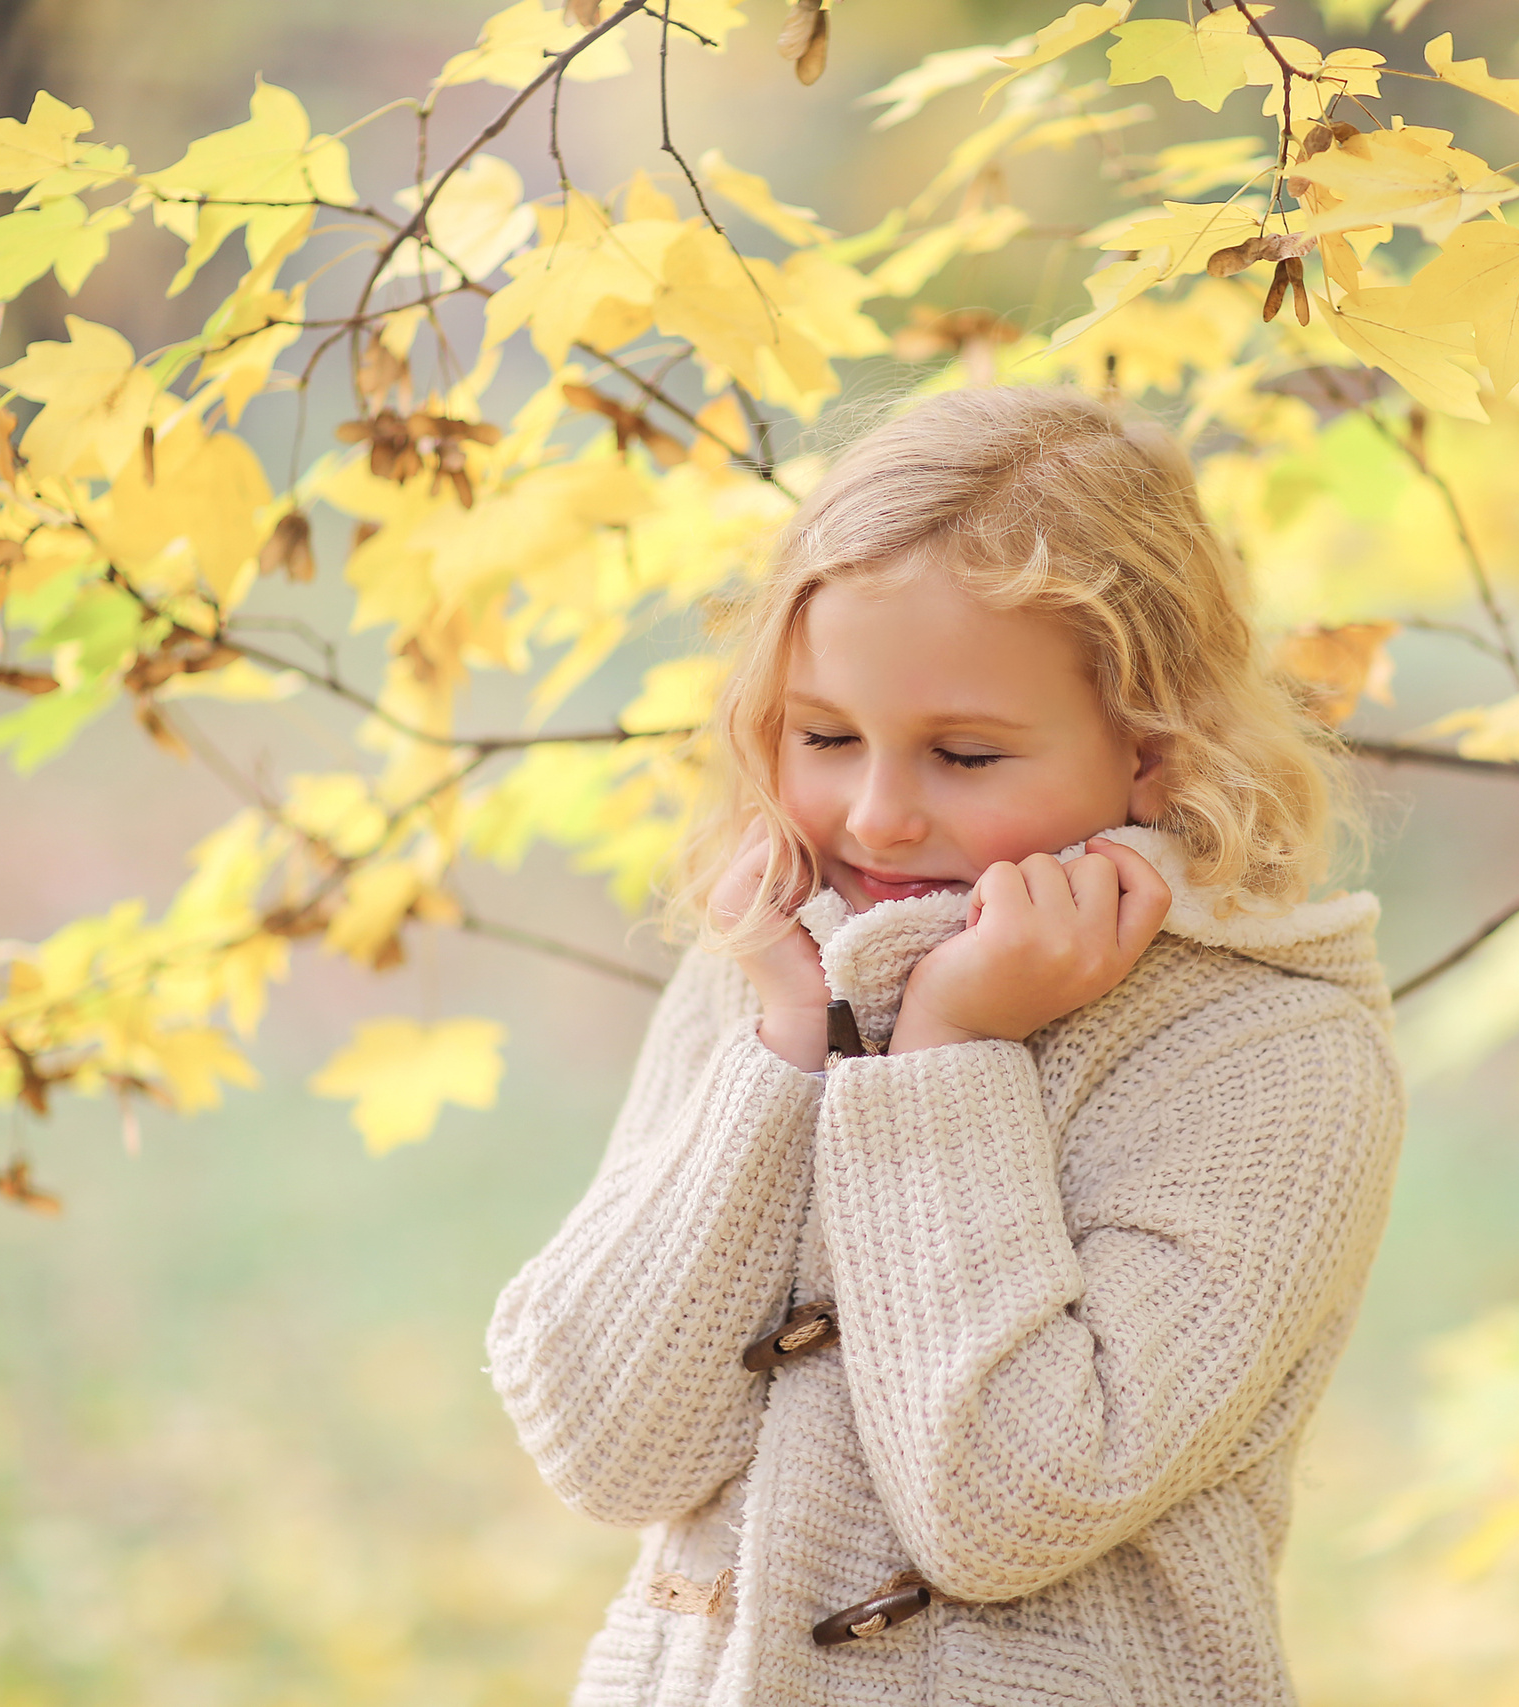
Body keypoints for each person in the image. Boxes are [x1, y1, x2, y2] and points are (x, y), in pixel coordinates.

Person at [488, 386, 1405, 1705]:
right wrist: (791, 1048)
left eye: (965, 755)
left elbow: (1013, 1504)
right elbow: (605, 1448)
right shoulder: (771, 965)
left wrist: (942, 1059)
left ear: (1152, 751)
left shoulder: (1272, 1054)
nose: (875, 814)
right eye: (825, 738)